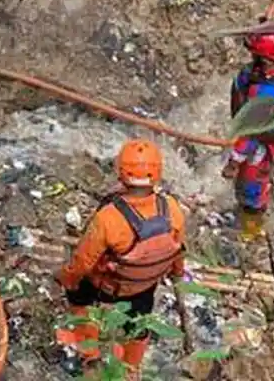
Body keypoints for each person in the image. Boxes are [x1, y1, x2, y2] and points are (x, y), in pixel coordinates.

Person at [55, 140, 185, 378]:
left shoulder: (108, 217)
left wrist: (68, 277)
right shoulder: (172, 209)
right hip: (144, 286)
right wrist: (177, 273)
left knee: (78, 294)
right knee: (139, 322)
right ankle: (131, 367)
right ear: (157, 172)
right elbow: (178, 250)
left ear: (121, 172)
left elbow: (84, 261)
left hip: (110, 286)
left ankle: (89, 352)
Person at [221, 32, 274, 242]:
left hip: (260, 147)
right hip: (271, 135)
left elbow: (251, 132)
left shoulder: (268, 94)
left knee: (251, 187)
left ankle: (251, 231)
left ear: (265, 60)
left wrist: (234, 161)